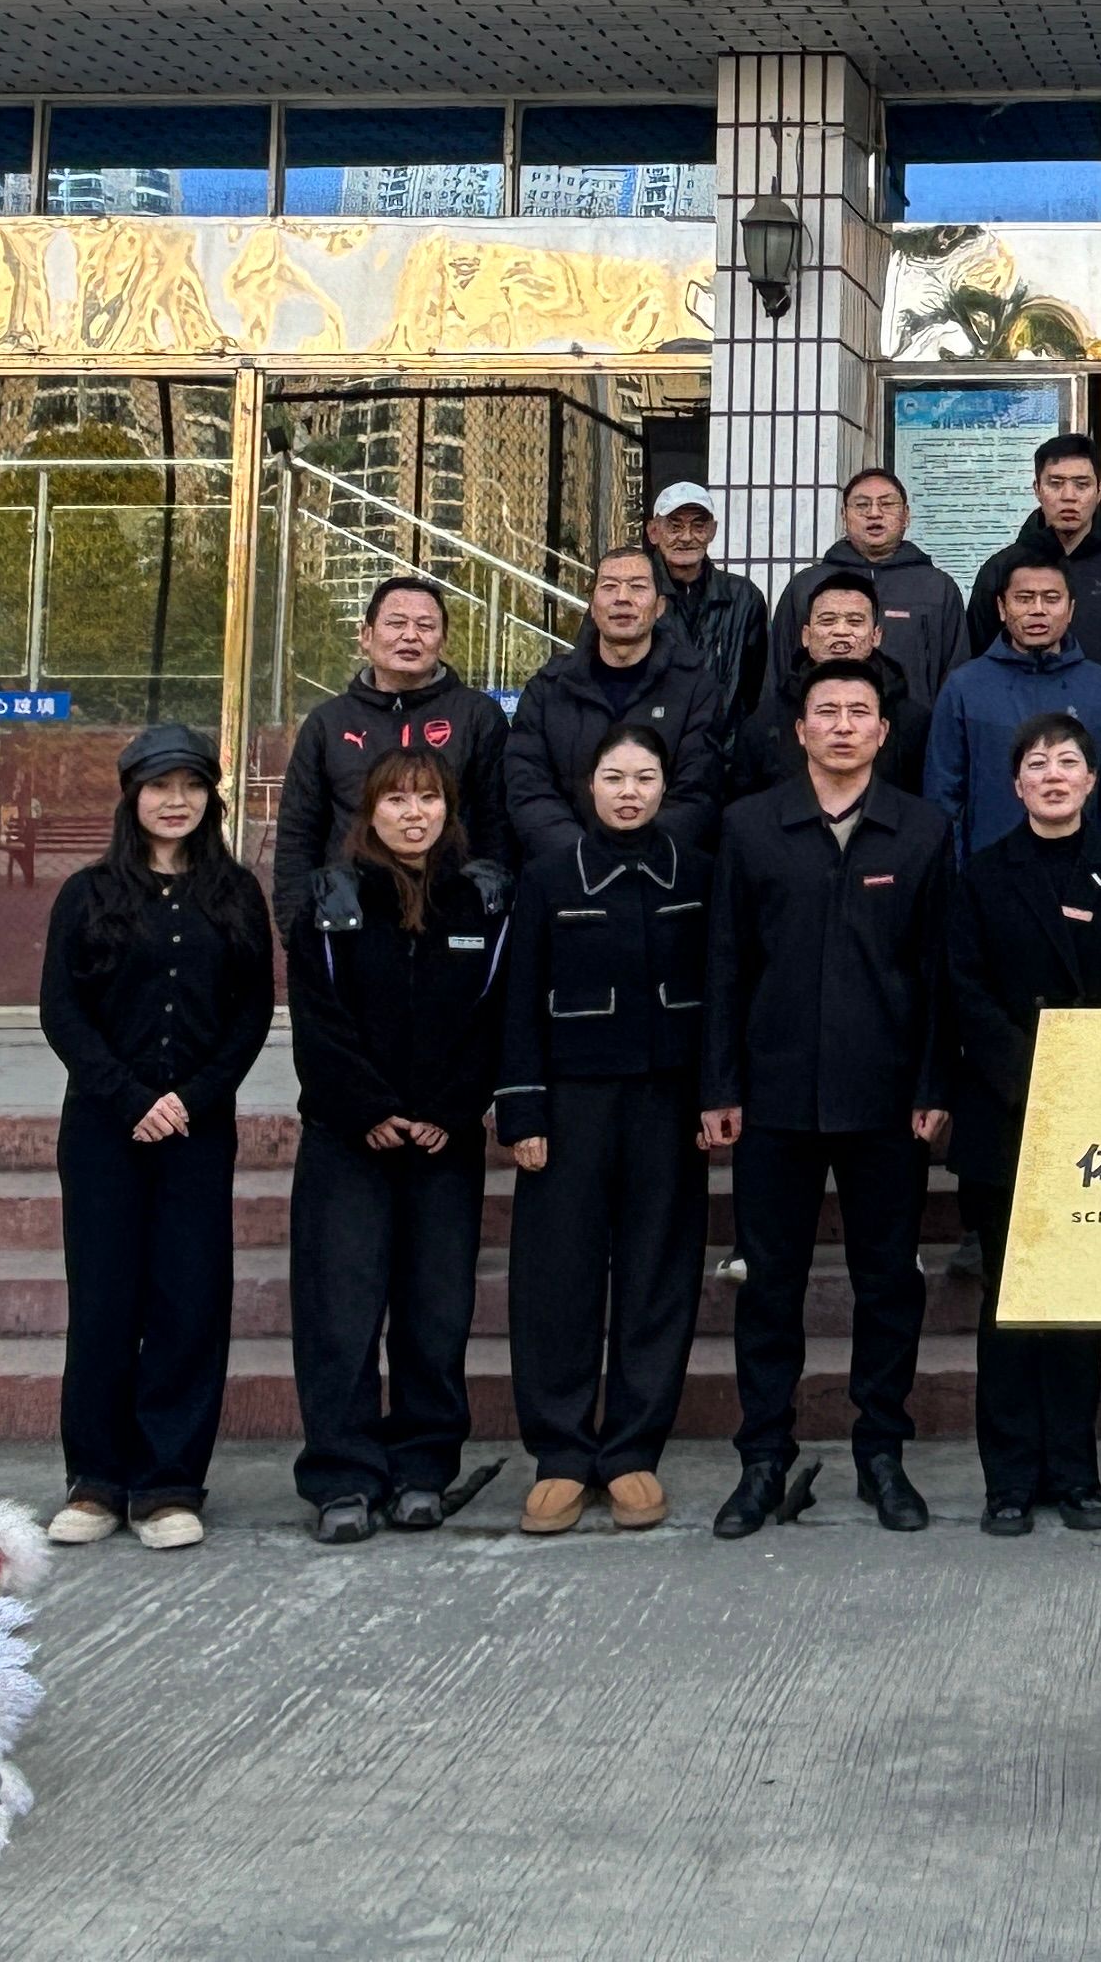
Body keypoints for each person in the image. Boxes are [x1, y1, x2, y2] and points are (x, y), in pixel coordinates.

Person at [704, 656, 954, 1538]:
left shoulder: (922, 831)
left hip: (886, 1100)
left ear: (885, 733)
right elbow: (726, 964)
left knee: (888, 1283)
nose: (844, 725)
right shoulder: (749, 828)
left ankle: (880, 1451)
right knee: (769, 1284)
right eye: (827, 712)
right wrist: (719, 1085)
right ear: (800, 729)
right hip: (774, 1097)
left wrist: (932, 1084)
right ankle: (763, 1458)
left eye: (861, 712)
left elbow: (935, 976)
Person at [38, 725, 277, 1553]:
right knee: (105, 1299)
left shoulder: (236, 893)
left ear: (211, 797)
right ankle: (97, 1480)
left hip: (199, 1129)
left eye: (191, 786)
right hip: (105, 1127)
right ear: (131, 796)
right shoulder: (88, 892)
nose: (175, 801)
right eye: (158, 786)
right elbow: (62, 1014)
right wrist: (133, 1096)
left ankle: (170, 1482)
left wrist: (194, 1097)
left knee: (188, 1300)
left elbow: (251, 1013)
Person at [498, 728, 715, 1538]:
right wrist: (522, 1108)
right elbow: (518, 1000)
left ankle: (631, 1452)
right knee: (556, 1278)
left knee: (660, 1275)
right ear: (588, 786)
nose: (630, 791)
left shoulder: (697, 876)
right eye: (614, 776)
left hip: (667, 1105)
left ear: (666, 788)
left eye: (645, 777)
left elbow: (719, 992)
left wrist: (715, 1098)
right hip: (570, 1108)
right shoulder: (548, 879)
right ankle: (559, 1455)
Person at [945, 714, 1101, 1536]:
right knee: (1008, 1301)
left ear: (1094, 781)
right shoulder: (984, 875)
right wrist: (1030, 1077)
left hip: (1094, 1114)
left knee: (1076, 1302)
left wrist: (1088, 1075)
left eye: (1070, 762)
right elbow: (966, 991)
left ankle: (1075, 1472)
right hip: (1007, 1112)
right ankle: (1007, 1478)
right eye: (1038, 764)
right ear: (1017, 783)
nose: (1055, 776)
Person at [288, 750, 504, 1544]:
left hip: (443, 1143)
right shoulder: (331, 903)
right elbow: (318, 1021)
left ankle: (421, 1469)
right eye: (397, 800)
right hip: (350, 1143)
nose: (414, 814)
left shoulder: (481, 903)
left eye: (429, 800)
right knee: (341, 1314)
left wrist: (451, 1107)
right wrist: (369, 1108)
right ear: (368, 811)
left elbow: (490, 1019)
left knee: (434, 1312)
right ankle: (342, 1474)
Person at [272, 576, 512, 947]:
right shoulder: (328, 723)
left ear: (443, 640)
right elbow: (298, 833)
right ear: (366, 635)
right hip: (349, 919)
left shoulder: (478, 716)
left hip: (454, 920)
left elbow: (497, 825)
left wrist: (490, 907)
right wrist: (297, 927)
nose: (411, 636)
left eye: (426, 626)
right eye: (396, 623)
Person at [504, 544, 726, 866]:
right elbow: (528, 786)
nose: (622, 598)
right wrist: (582, 857)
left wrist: (638, 854)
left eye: (637, 586)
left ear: (660, 606)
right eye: (609, 587)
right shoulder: (550, 688)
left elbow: (699, 790)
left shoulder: (694, 687)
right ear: (592, 606)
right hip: (565, 875)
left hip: (663, 877)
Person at [926, 555, 1101, 856]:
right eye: (1024, 599)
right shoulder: (965, 687)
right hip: (988, 875)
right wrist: (958, 881)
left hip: (1084, 873)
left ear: (1071, 608)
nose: (1038, 610)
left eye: (1051, 599)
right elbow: (943, 797)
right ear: (1001, 607)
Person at [964, 432, 1101, 687]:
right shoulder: (1003, 568)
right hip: (1021, 717)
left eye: (1082, 484)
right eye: (1056, 483)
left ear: (1099, 489)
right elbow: (979, 654)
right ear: (1037, 489)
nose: (1068, 496)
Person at [767, 467, 969, 713]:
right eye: (862, 505)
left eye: (887, 504)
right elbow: (778, 671)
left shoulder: (938, 588)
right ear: (844, 514)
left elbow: (957, 675)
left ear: (906, 515)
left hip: (914, 740)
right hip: (822, 737)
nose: (874, 514)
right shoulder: (807, 586)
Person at [732, 569, 927, 799]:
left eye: (855, 622)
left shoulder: (913, 722)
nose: (841, 632)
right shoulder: (764, 722)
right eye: (827, 621)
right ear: (806, 635)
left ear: (876, 635)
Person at [645, 480, 770, 744]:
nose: (687, 537)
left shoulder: (744, 597)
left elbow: (757, 689)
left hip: (725, 758)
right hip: (648, 755)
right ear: (654, 532)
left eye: (698, 526)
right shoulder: (633, 594)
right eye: (675, 526)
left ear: (712, 531)